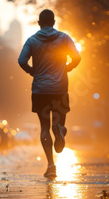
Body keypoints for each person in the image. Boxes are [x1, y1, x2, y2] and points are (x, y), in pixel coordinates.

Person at [18, 9, 81, 178]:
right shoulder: (64, 38)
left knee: (44, 127)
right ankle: (60, 128)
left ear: (39, 23)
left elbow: (21, 60)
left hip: (40, 90)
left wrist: (32, 72)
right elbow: (77, 57)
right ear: (54, 22)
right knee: (59, 122)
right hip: (60, 89)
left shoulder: (32, 40)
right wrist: (68, 67)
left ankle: (51, 165)